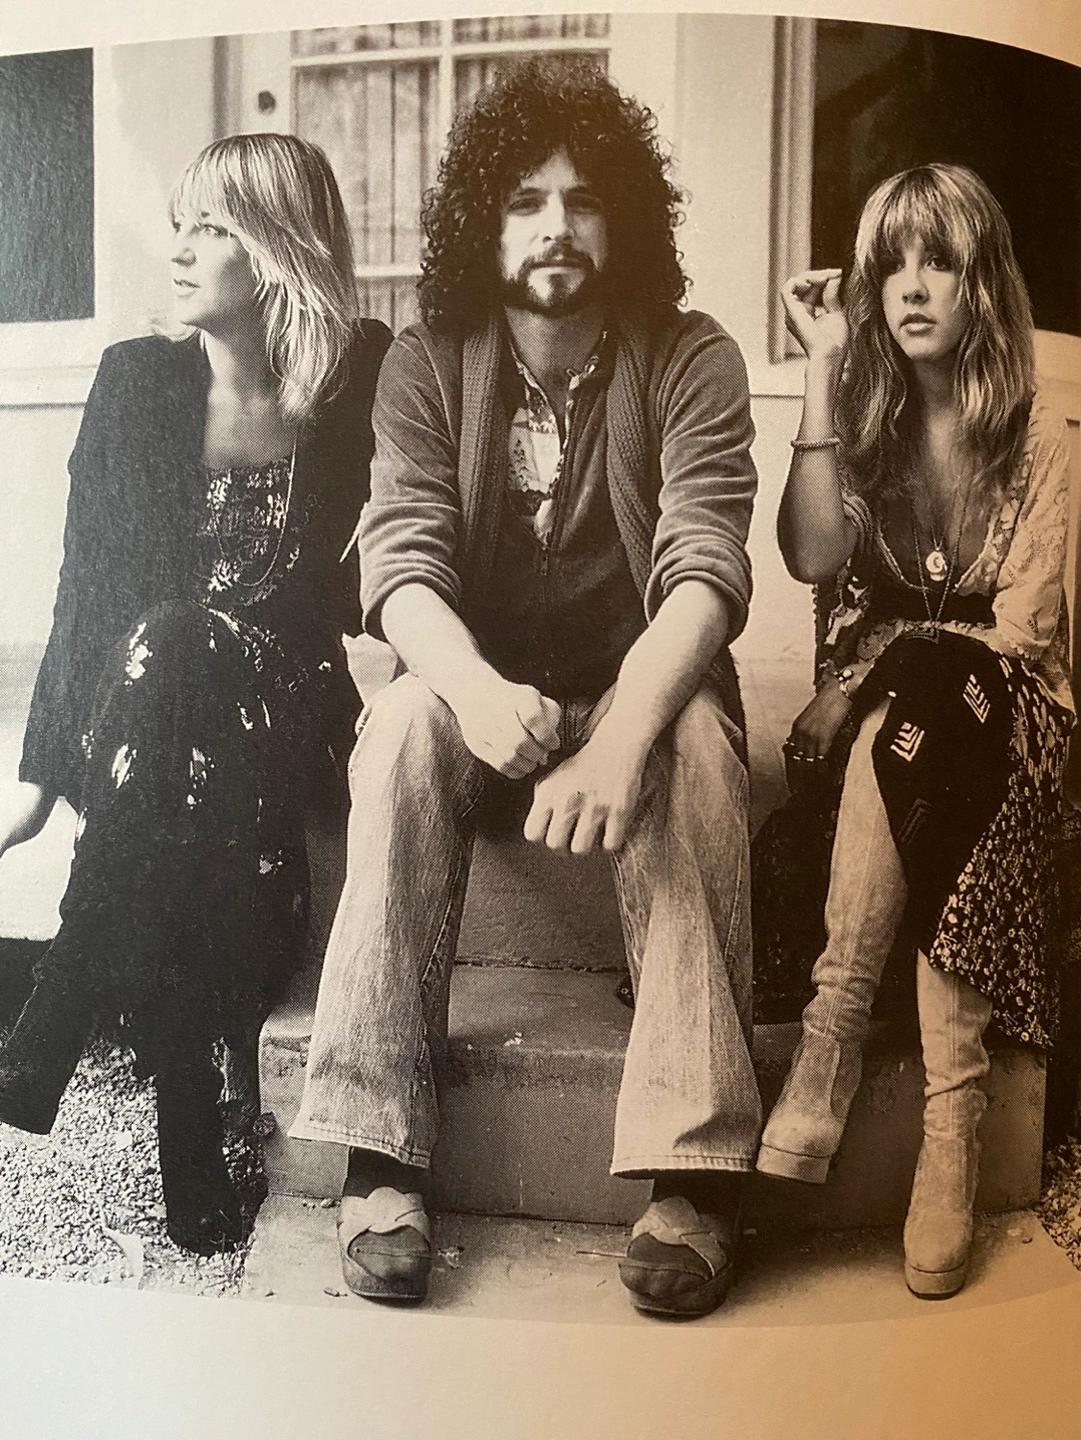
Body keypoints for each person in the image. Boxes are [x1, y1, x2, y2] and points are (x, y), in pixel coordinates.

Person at [288, 59, 760, 1318]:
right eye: (525, 201)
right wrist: (480, 695)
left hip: (634, 688)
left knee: (698, 747)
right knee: (400, 723)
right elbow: (398, 564)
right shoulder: (427, 361)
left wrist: (618, 741)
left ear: (625, 220)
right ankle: (380, 1155)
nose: (556, 226)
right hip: (480, 687)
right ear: (480, 225)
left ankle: (693, 1167)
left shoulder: (693, 356)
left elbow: (706, 570)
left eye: (584, 199)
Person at [0, 133, 391, 1255]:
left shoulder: (360, 377)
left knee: (180, 650)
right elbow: (87, 589)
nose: (178, 250)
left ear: (277, 248)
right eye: (181, 223)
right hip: (153, 714)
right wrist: (41, 777)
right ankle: (189, 1124)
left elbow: (373, 582)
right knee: (174, 700)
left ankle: (61, 1001)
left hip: (289, 697)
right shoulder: (136, 381)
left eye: (210, 226)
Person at [756, 163, 1072, 1298]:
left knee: (925, 687)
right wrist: (821, 366)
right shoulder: (869, 426)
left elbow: (1022, 636)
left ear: (982, 280)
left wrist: (862, 676)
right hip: (894, 738)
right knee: (911, 709)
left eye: (939, 260)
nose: (911, 286)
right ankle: (929, 1099)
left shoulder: (1039, 437)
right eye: (890, 264)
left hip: (1012, 729)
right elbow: (809, 556)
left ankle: (886, 1079)